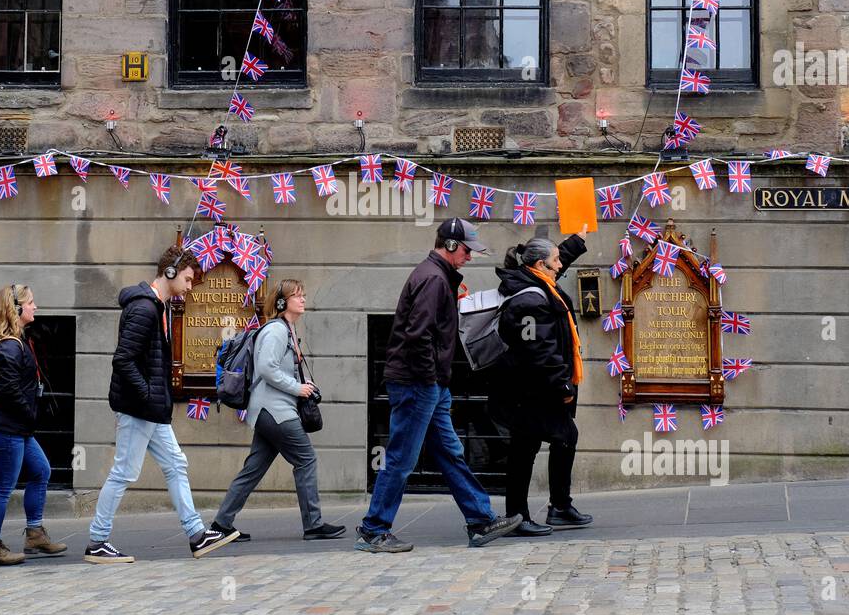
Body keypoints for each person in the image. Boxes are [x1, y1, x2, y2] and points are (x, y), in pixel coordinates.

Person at [356, 218, 522, 552]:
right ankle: (374, 529)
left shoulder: (435, 276)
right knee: (402, 458)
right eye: (466, 250)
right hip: (418, 384)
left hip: (426, 384)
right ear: (448, 245)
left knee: (450, 452)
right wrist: (430, 380)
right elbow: (418, 336)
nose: (470, 257)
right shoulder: (432, 279)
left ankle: (480, 521)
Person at [85, 246, 239, 562]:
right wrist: (147, 394)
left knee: (175, 464)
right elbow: (123, 360)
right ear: (169, 273)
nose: (189, 286)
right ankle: (98, 541)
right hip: (140, 408)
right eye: (186, 278)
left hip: (151, 410)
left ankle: (197, 535)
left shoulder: (158, 307)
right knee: (124, 473)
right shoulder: (144, 309)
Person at [210, 280, 345, 542]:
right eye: (297, 295)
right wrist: (297, 389)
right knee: (306, 459)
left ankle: (221, 524)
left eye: (303, 294)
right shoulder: (276, 331)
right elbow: (266, 368)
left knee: (253, 470)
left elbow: (278, 369)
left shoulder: (287, 330)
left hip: (268, 411)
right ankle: (313, 524)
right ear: (282, 303)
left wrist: (303, 385)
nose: (303, 299)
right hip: (276, 411)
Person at [492, 231, 595, 536]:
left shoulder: (535, 280)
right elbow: (539, 349)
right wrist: (562, 385)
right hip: (531, 389)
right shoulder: (530, 298)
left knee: (544, 442)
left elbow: (555, 261)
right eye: (555, 260)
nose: (559, 264)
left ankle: (551, 508)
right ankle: (526, 514)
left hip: (532, 387)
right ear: (540, 264)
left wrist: (577, 239)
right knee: (534, 445)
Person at [0, 284, 66, 565]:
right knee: (3, 487)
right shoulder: (10, 348)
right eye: (31, 303)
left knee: (41, 470)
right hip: (5, 428)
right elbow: (12, 391)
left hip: (16, 427)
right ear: (16, 309)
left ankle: (35, 534)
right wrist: (30, 415)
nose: (35, 307)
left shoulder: (15, 342)